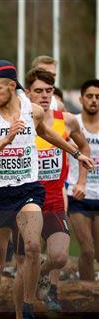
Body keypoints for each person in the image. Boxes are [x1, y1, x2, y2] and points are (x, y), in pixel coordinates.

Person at [0, 60, 93, 319]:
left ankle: (28, 312)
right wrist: (8, 139)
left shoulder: (31, 109)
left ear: (12, 86)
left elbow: (46, 132)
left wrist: (76, 153)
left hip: (28, 189)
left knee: (33, 247)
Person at [10, 68, 90, 319]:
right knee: (25, 260)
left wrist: (80, 181)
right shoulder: (19, 121)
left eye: (49, 91)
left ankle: (42, 275)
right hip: (26, 201)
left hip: (55, 200)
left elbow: (84, 148)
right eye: (38, 91)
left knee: (59, 257)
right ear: (28, 94)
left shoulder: (66, 121)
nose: (44, 96)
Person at [67, 79, 99, 281]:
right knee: (87, 250)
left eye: (98, 97)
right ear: (81, 99)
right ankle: (87, 294)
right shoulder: (72, 124)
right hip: (78, 194)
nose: (94, 101)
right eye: (89, 96)